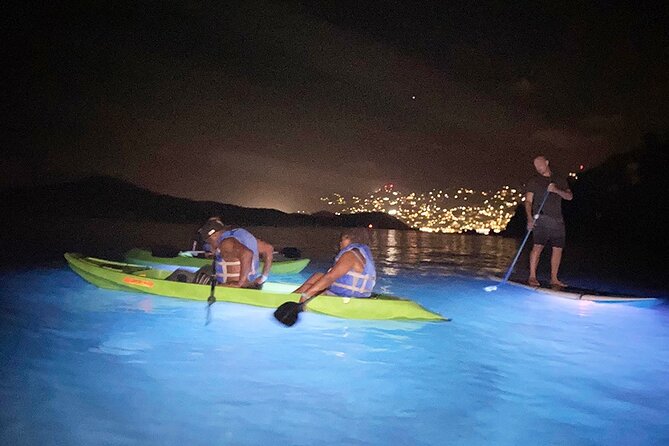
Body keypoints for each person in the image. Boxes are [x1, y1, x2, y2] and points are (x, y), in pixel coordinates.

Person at [525, 155, 573, 287]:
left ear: (546, 162)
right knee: (537, 247)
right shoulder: (534, 181)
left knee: (558, 249)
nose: (538, 169)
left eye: (540, 165)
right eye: (536, 167)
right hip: (541, 218)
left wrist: (556, 190)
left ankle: (554, 278)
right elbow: (528, 201)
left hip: (558, 220)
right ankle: (532, 277)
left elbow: (569, 197)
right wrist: (529, 218)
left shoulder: (559, 180)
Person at [294, 228, 376, 301]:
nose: (340, 243)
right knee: (318, 275)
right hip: (354, 295)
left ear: (348, 239)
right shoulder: (360, 253)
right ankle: (292, 296)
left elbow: (330, 277)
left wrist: (306, 295)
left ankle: (291, 298)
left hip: (349, 299)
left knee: (307, 289)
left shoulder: (350, 255)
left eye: (342, 239)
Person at [196, 217, 274, 289]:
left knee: (194, 275)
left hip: (234, 289)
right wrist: (263, 277)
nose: (210, 245)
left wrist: (240, 283)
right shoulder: (240, 237)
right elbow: (269, 248)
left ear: (214, 236)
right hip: (253, 286)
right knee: (207, 268)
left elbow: (247, 254)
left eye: (208, 241)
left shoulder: (226, 243)